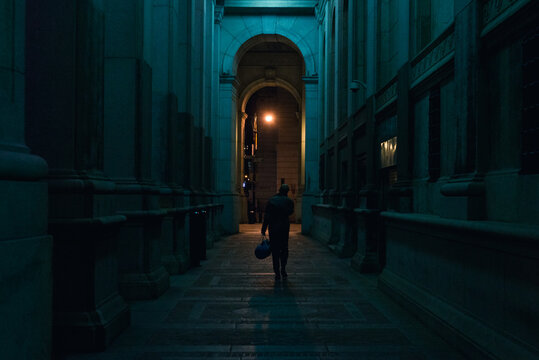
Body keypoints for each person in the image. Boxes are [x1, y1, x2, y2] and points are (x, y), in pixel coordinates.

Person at [261, 184, 294, 280]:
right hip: (284, 228)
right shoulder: (289, 201)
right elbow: (290, 212)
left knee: (275, 250)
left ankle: (277, 272)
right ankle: (283, 269)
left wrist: (264, 228)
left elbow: (267, 216)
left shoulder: (271, 200)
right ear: (286, 191)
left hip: (273, 228)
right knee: (284, 249)